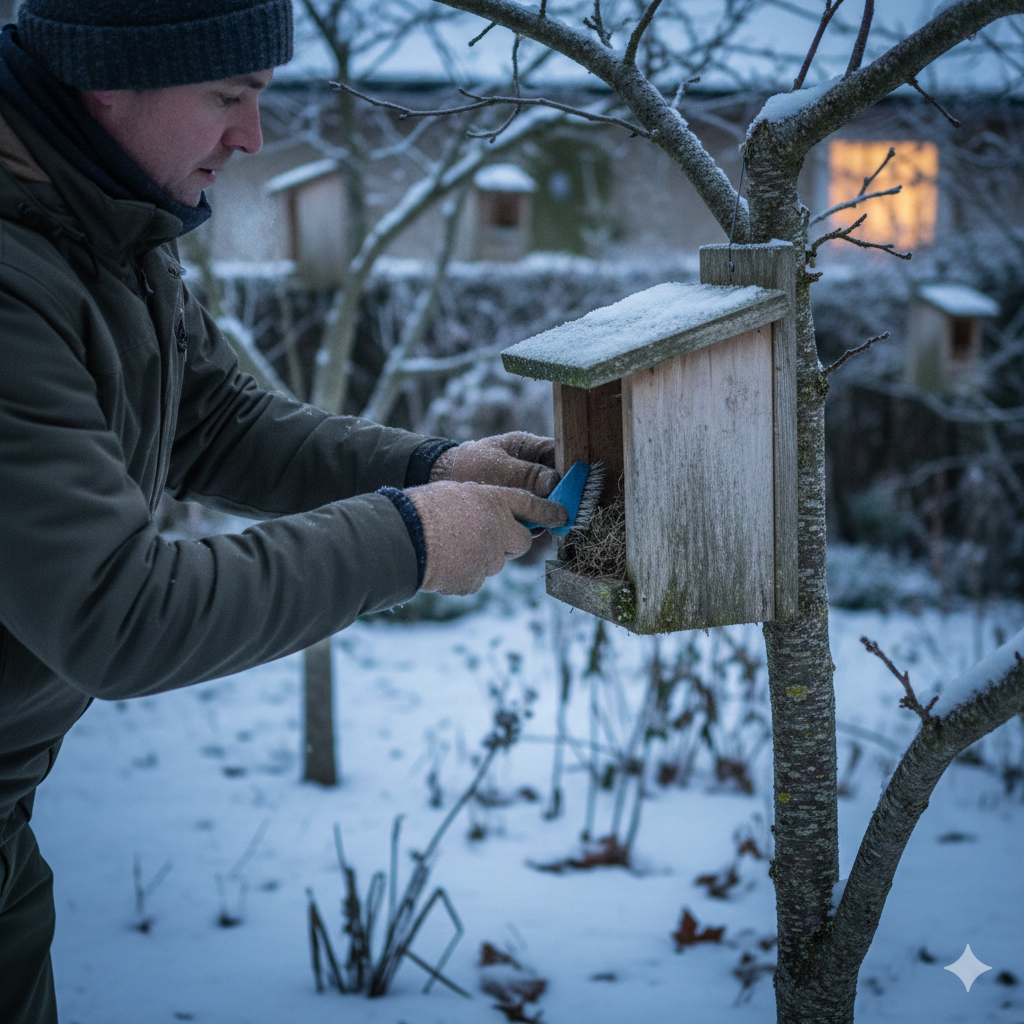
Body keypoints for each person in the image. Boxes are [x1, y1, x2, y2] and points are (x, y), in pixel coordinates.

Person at [0, 2, 567, 1020]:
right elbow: (117, 612)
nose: (253, 137)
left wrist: (433, 462)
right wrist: (412, 537)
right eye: (229, 96)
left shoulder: (103, 211)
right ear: (109, 77)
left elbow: (212, 421)